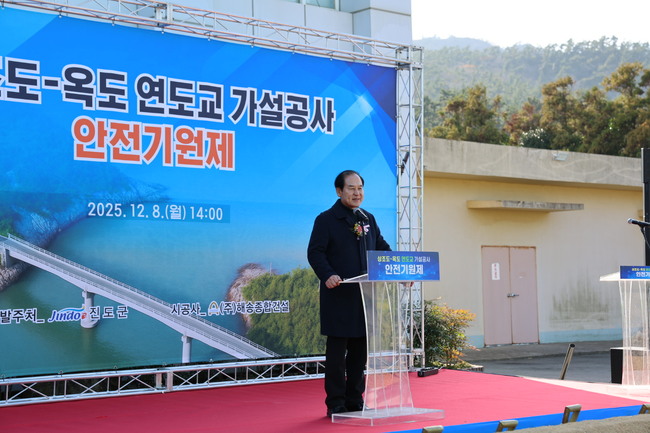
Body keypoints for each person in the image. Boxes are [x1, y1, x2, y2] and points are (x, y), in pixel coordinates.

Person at [307, 170, 391, 417]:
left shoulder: (367, 219)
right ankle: (335, 402)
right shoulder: (326, 220)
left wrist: (398, 270)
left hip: (365, 297)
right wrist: (328, 274)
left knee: (359, 354)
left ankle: (355, 399)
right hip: (338, 295)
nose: (357, 193)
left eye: (360, 188)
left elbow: (381, 248)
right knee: (337, 354)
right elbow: (315, 252)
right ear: (339, 191)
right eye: (351, 188)